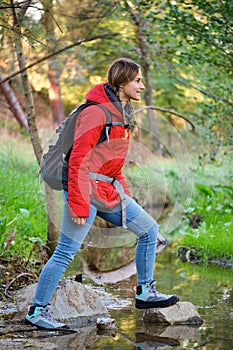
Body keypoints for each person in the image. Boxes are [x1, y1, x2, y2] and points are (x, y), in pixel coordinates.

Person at [25, 57, 179, 330]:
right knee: (65, 252)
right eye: (137, 80)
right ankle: (37, 310)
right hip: (85, 190)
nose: (141, 86)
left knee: (148, 230)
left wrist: (125, 195)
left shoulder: (122, 114)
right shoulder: (96, 113)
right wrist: (78, 204)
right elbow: (78, 160)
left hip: (108, 190)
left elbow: (112, 163)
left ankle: (145, 292)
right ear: (122, 82)